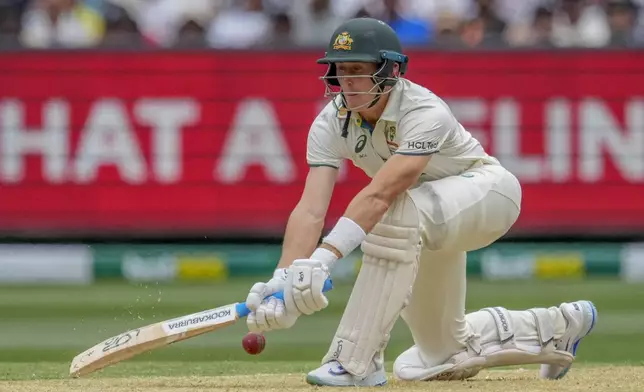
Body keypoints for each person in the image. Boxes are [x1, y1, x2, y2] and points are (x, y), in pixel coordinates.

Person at [243, 17, 597, 387]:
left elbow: (382, 192)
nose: (347, 80)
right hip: (422, 221)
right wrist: (283, 281)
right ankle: (559, 325)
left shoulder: (424, 111)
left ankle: (354, 362)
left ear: (388, 70)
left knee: (394, 210)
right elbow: (311, 209)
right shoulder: (330, 123)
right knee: (438, 355)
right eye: (341, 69)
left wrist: (323, 259)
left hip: (488, 195)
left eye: (358, 70)